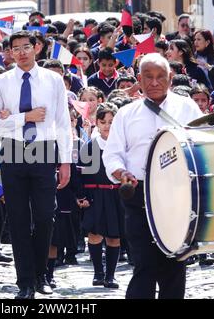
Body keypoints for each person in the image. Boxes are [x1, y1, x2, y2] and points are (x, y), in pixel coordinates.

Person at [102, 53, 203, 299]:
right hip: (139, 195)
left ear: (170, 78)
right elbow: (112, 154)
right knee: (144, 263)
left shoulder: (186, 106)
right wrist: (121, 172)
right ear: (139, 79)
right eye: (148, 77)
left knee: (174, 265)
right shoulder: (126, 114)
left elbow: (201, 142)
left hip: (177, 195)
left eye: (160, 77)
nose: (155, 82)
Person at [0, 30, 73, 299]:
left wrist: (66, 160)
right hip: (12, 150)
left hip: (44, 150)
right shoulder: (1, 82)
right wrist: (24, 117)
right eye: (16, 48)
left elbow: (62, 122)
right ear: (9, 53)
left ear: (36, 48)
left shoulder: (53, 80)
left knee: (46, 216)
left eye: (26, 47)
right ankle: (25, 281)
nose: (22, 52)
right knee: (19, 219)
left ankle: (42, 274)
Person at [78, 103, 124, 289]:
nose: (107, 126)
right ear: (96, 122)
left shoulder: (122, 146)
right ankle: (98, 273)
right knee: (95, 235)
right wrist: (82, 196)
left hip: (115, 196)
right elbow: (80, 175)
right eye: (103, 121)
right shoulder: (89, 147)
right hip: (95, 195)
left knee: (114, 236)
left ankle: (110, 275)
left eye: (112, 122)